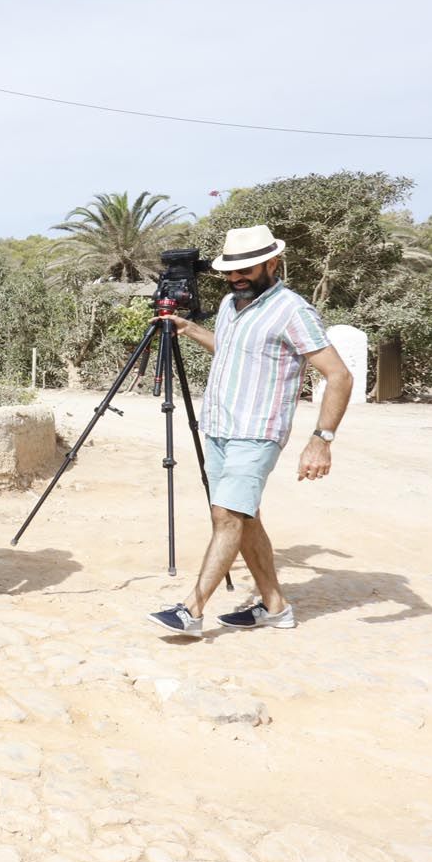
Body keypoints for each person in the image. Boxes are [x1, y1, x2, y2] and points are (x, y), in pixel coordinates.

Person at [149, 224, 353, 636]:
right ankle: (276, 607)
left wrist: (321, 440)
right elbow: (231, 350)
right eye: (230, 270)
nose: (236, 277)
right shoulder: (230, 304)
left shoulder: (293, 311)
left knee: (227, 515)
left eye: (247, 269)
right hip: (220, 427)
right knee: (242, 516)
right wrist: (188, 329)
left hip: (257, 431)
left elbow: (339, 375)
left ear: (272, 263)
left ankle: (191, 609)